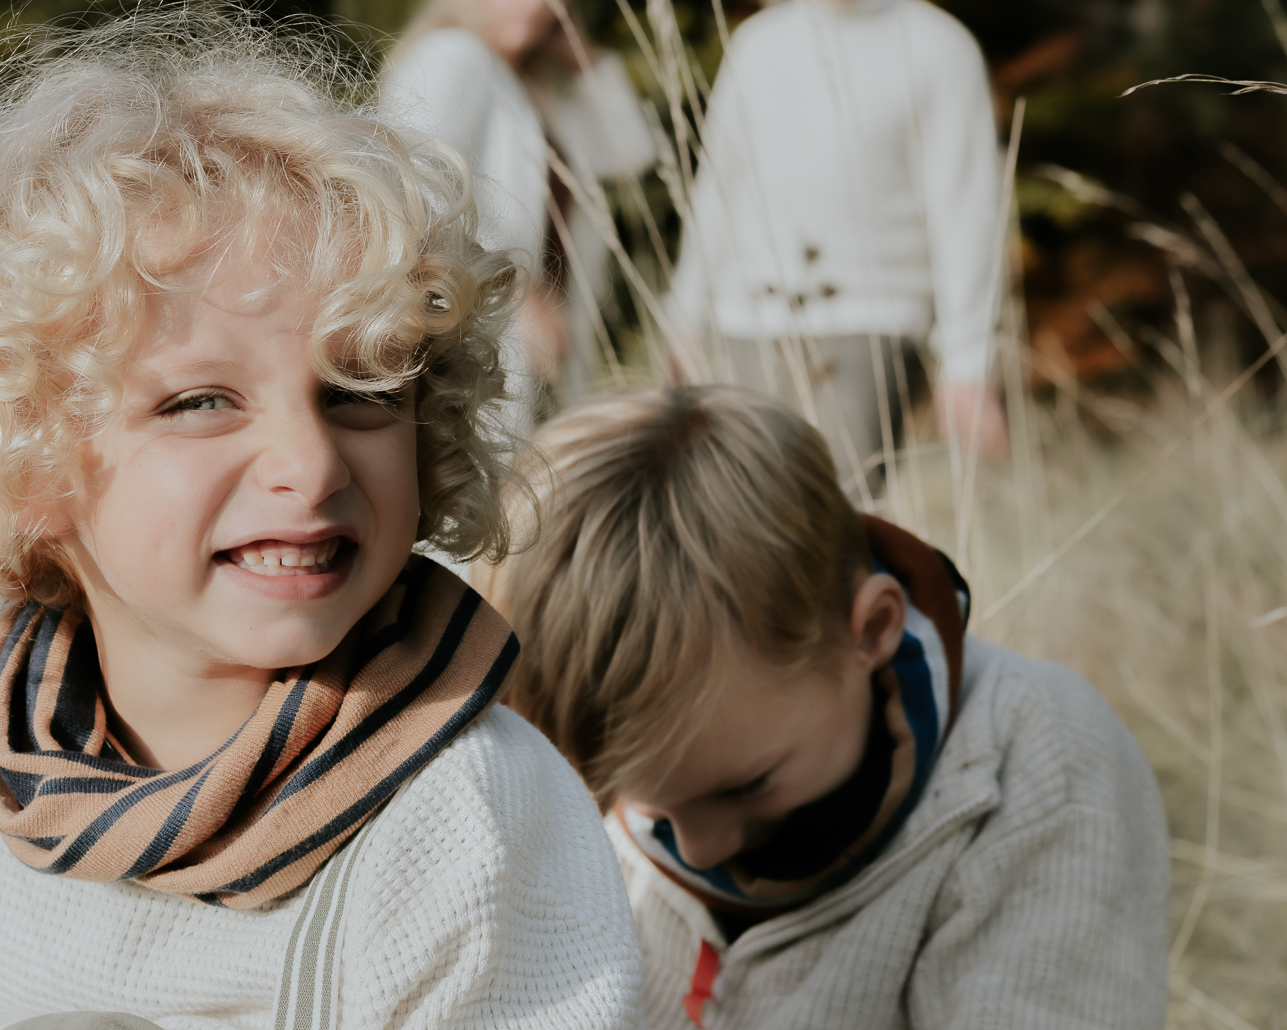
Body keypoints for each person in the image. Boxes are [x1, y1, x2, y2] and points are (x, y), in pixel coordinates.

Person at [0, 4, 642, 1030]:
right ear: (17, 451)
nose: (309, 460)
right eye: (199, 402)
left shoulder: (463, 816)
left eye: (360, 388)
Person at [483, 385, 1169, 1030]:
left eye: (747, 784)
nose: (699, 847)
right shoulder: (570, 791)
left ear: (870, 630)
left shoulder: (1036, 765)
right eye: (649, 808)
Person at [669, 0, 1009, 489]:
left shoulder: (939, 48)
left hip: (867, 328)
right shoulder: (756, 46)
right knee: (734, 519)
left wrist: (967, 361)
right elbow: (718, 190)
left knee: (838, 518)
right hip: (745, 326)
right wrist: (684, 316)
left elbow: (966, 214)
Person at [382, 0, 655, 419]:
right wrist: (521, 296)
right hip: (482, 337)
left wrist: (585, 58)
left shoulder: (542, 85)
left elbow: (633, 153)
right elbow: (411, 197)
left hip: (548, 345)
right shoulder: (452, 56)